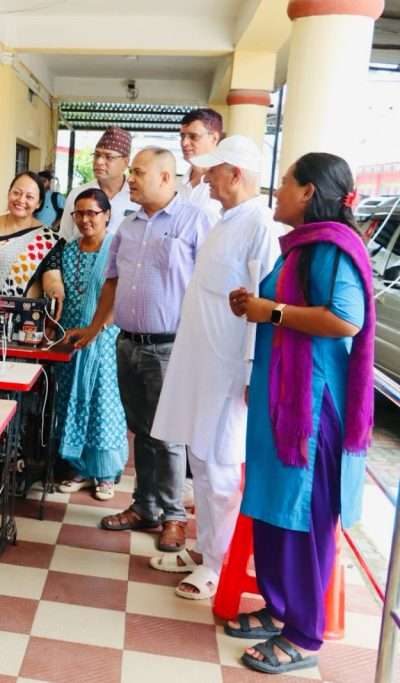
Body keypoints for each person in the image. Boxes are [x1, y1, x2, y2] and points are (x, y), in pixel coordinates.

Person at [225, 153, 374, 675]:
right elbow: (282, 309)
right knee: (274, 506)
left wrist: (272, 311)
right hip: (283, 401)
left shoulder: (333, 247)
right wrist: (256, 305)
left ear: (309, 192)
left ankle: (305, 634)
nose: (278, 189)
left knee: (303, 517)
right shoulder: (300, 247)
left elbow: (346, 320)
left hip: (311, 409)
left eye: (286, 181)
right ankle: (280, 607)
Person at [150, 136, 281, 600]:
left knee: (221, 467)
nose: (206, 178)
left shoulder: (259, 227)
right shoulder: (226, 220)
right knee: (201, 462)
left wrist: (250, 371)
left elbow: (262, 303)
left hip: (229, 368)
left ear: (236, 174)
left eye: (214, 170)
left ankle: (218, 566)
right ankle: (207, 550)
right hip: (201, 362)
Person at [67, 147, 214, 553]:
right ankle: (144, 506)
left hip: (171, 347)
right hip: (128, 342)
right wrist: (94, 329)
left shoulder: (194, 221)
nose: (130, 179)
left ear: (166, 177)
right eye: (131, 172)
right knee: (143, 432)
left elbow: (209, 286)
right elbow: (112, 282)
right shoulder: (128, 226)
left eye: (138, 172)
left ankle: (173, 516)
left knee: (168, 435)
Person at [54, 189, 127, 501]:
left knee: (103, 406)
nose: (85, 220)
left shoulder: (117, 249)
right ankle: (80, 468)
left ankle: (106, 474)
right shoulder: (67, 251)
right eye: (79, 213)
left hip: (104, 341)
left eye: (92, 213)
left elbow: (121, 296)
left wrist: (96, 329)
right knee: (71, 400)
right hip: (71, 342)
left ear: (107, 215)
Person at [0, 171, 64, 301]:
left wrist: (56, 291)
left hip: (24, 313)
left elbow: (52, 278)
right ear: (9, 193)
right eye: (16, 193)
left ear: (38, 203)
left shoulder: (47, 239)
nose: (21, 200)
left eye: (29, 197)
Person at [58, 127, 139, 242]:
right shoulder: (78, 194)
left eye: (109, 157)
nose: (99, 161)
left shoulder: (137, 197)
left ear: (125, 162)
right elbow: (64, 237)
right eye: (96, 155)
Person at [178, 108, 224, 224]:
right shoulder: (179, 184)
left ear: (214, 138)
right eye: (182, 136)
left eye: (193, 136)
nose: (184, 143)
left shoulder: (225, 184)